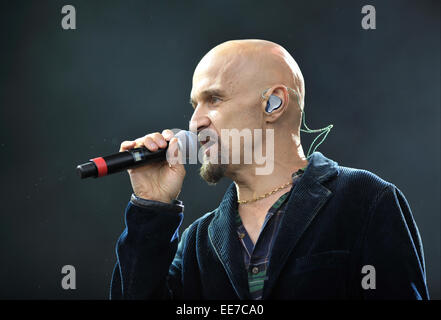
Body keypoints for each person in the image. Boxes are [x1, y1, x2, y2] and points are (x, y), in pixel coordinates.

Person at [110, 39, 429, 300]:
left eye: (214, 99)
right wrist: (151, 208)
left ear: (273, 104)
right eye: (195, 104)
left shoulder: (364, 200)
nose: (195, 122)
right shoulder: (198, 242)